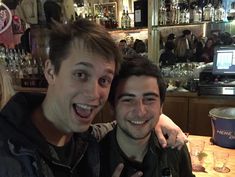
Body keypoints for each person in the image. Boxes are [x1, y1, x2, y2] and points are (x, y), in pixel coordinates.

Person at [0, 19, 186, 177]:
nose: (94, 93)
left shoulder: (85, 138)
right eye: (81, 74)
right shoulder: (8, 151)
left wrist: (155, 117)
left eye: (104, 80)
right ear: (50, 72)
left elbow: (125, 122)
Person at [100, 56, 195, 177]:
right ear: (112, 108)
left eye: (149, 99)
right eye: (128, 100)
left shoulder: (174, 147)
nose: (140, 112)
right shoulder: (92, 160)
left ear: (161, 107)